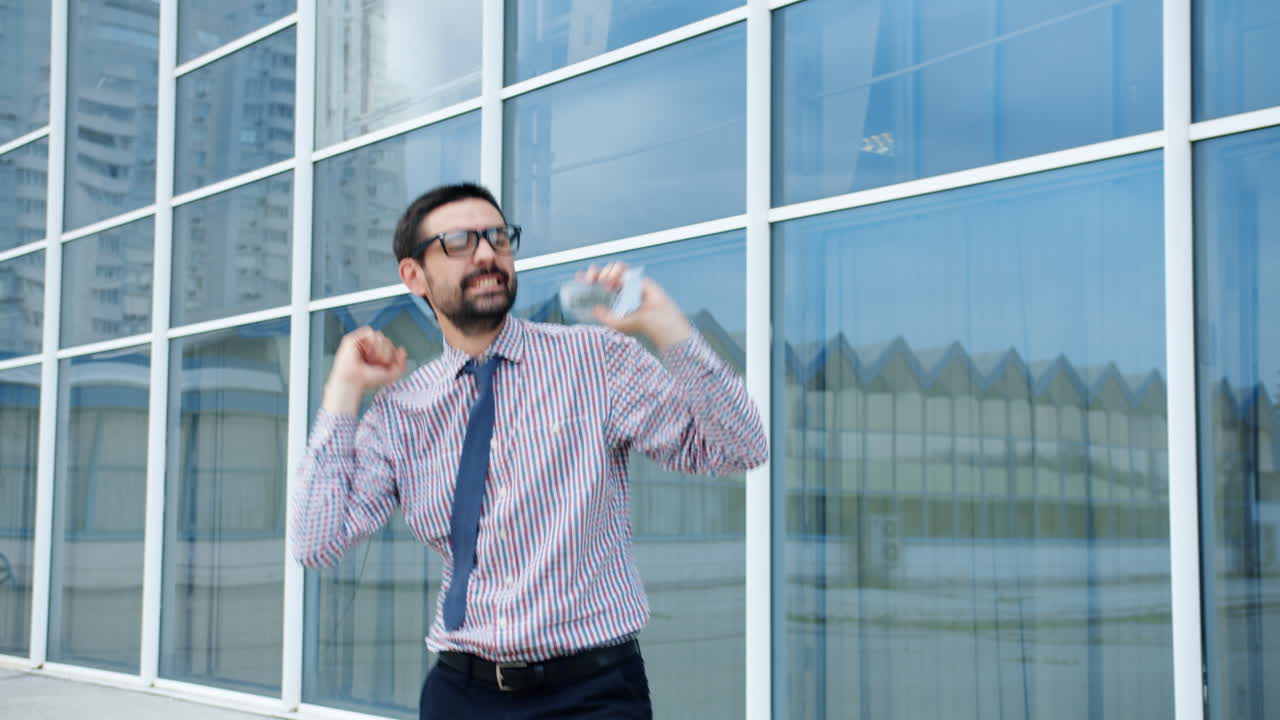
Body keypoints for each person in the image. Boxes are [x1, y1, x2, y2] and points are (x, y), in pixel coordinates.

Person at [290, 182, 768, 719]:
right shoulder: (401, 412)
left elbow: (740, 448)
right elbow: (316, 541)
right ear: (413, 275)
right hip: (461, 692)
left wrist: (667, 327)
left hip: (591, 694)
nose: (488, 253)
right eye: (459, 242)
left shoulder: (595, 361)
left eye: (498, 237)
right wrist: (343, 390)